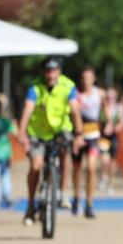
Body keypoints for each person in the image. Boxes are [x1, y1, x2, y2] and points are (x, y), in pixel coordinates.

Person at [16, 57, 84, 226]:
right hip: (37, 132)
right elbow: (27, 109)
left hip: (60, 130)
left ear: (59, 72)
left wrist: (79, 135)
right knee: (36, 166)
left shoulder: (68, 86)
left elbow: (75, 111)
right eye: (47, 71)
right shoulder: (35, 87)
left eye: (54, 71)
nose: (50, 75)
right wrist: (22, 133)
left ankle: (61, 191)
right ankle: (31, 205)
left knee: (65, 152)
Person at [71, 67, 103, 218]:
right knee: (77, 169)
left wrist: (110, 122)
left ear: (94, 79)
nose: (86, 81)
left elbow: (107, 111)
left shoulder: (100, 93)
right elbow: (72, 112)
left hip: (93, 135)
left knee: (91, 168)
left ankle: (89, 203)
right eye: (83, 78)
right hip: (79, 134)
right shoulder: (76, 95)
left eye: (89, 78)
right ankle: (77, 197)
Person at [98, 87, 121, 192]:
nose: (110, 99)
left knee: (112, 162)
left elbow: (122, 123)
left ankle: (110, 184)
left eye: (112, 97)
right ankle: (103, 176)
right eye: (108, 97)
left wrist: (115, 127)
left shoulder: (119, 108)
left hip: (114, 137)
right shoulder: (102, 108)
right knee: (104, 159)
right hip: (104, 137)